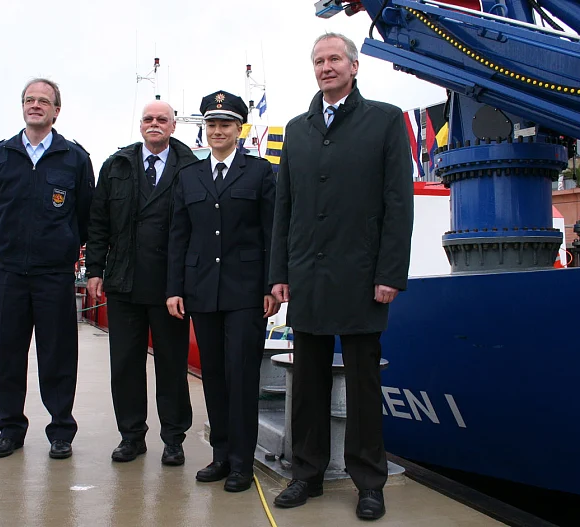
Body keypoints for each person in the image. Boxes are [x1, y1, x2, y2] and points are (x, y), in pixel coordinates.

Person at [268, 33, 413, 520]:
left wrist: (390, 272)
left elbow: (398, 203)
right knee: (307, 383)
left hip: (362, 276)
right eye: (318, 61)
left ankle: (369, 482)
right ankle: (306, 474)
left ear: (354, 66)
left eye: (334, 59)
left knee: (363, 386)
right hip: (307, 275)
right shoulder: (297, 130)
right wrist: (279, 273)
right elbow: (285, 207)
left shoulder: (385, 120)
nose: (326, 67)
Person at [167, 90, 278, 493]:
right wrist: (174, 288)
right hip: (202, 291)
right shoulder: (189, 176)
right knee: (212, 376)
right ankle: (221, 455)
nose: (217, 131)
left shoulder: (260, 173)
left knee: (242, 376)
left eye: (225, 124)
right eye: (211, 124)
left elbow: (272, 233)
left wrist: (271, 286)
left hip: (246, 293)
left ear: (239, 129)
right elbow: (179, 236)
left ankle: (242, 464)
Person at [0, 78, 95, 460]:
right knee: (8, 354)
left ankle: (61, 430)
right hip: (10, 272)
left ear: (56, 110)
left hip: (54, 274)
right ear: (22, 107)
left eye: (43, 101)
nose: (35, 105)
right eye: (29, 100)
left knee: (58, 355)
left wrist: (60, 246)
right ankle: (9, 430)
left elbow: (84, 215)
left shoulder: (74, 158)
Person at [86, 100, 198, 465]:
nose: (155, 124)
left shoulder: (191, 168)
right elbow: (98, 222)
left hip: (170, 286)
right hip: (124, 281)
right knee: (125, 365)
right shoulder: (116, 166)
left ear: (173, 126)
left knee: (172, 365)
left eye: (162, 119)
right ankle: (131, 436)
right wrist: (94, 270)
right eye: (148, 118)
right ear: (140, 125)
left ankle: (174, 439)